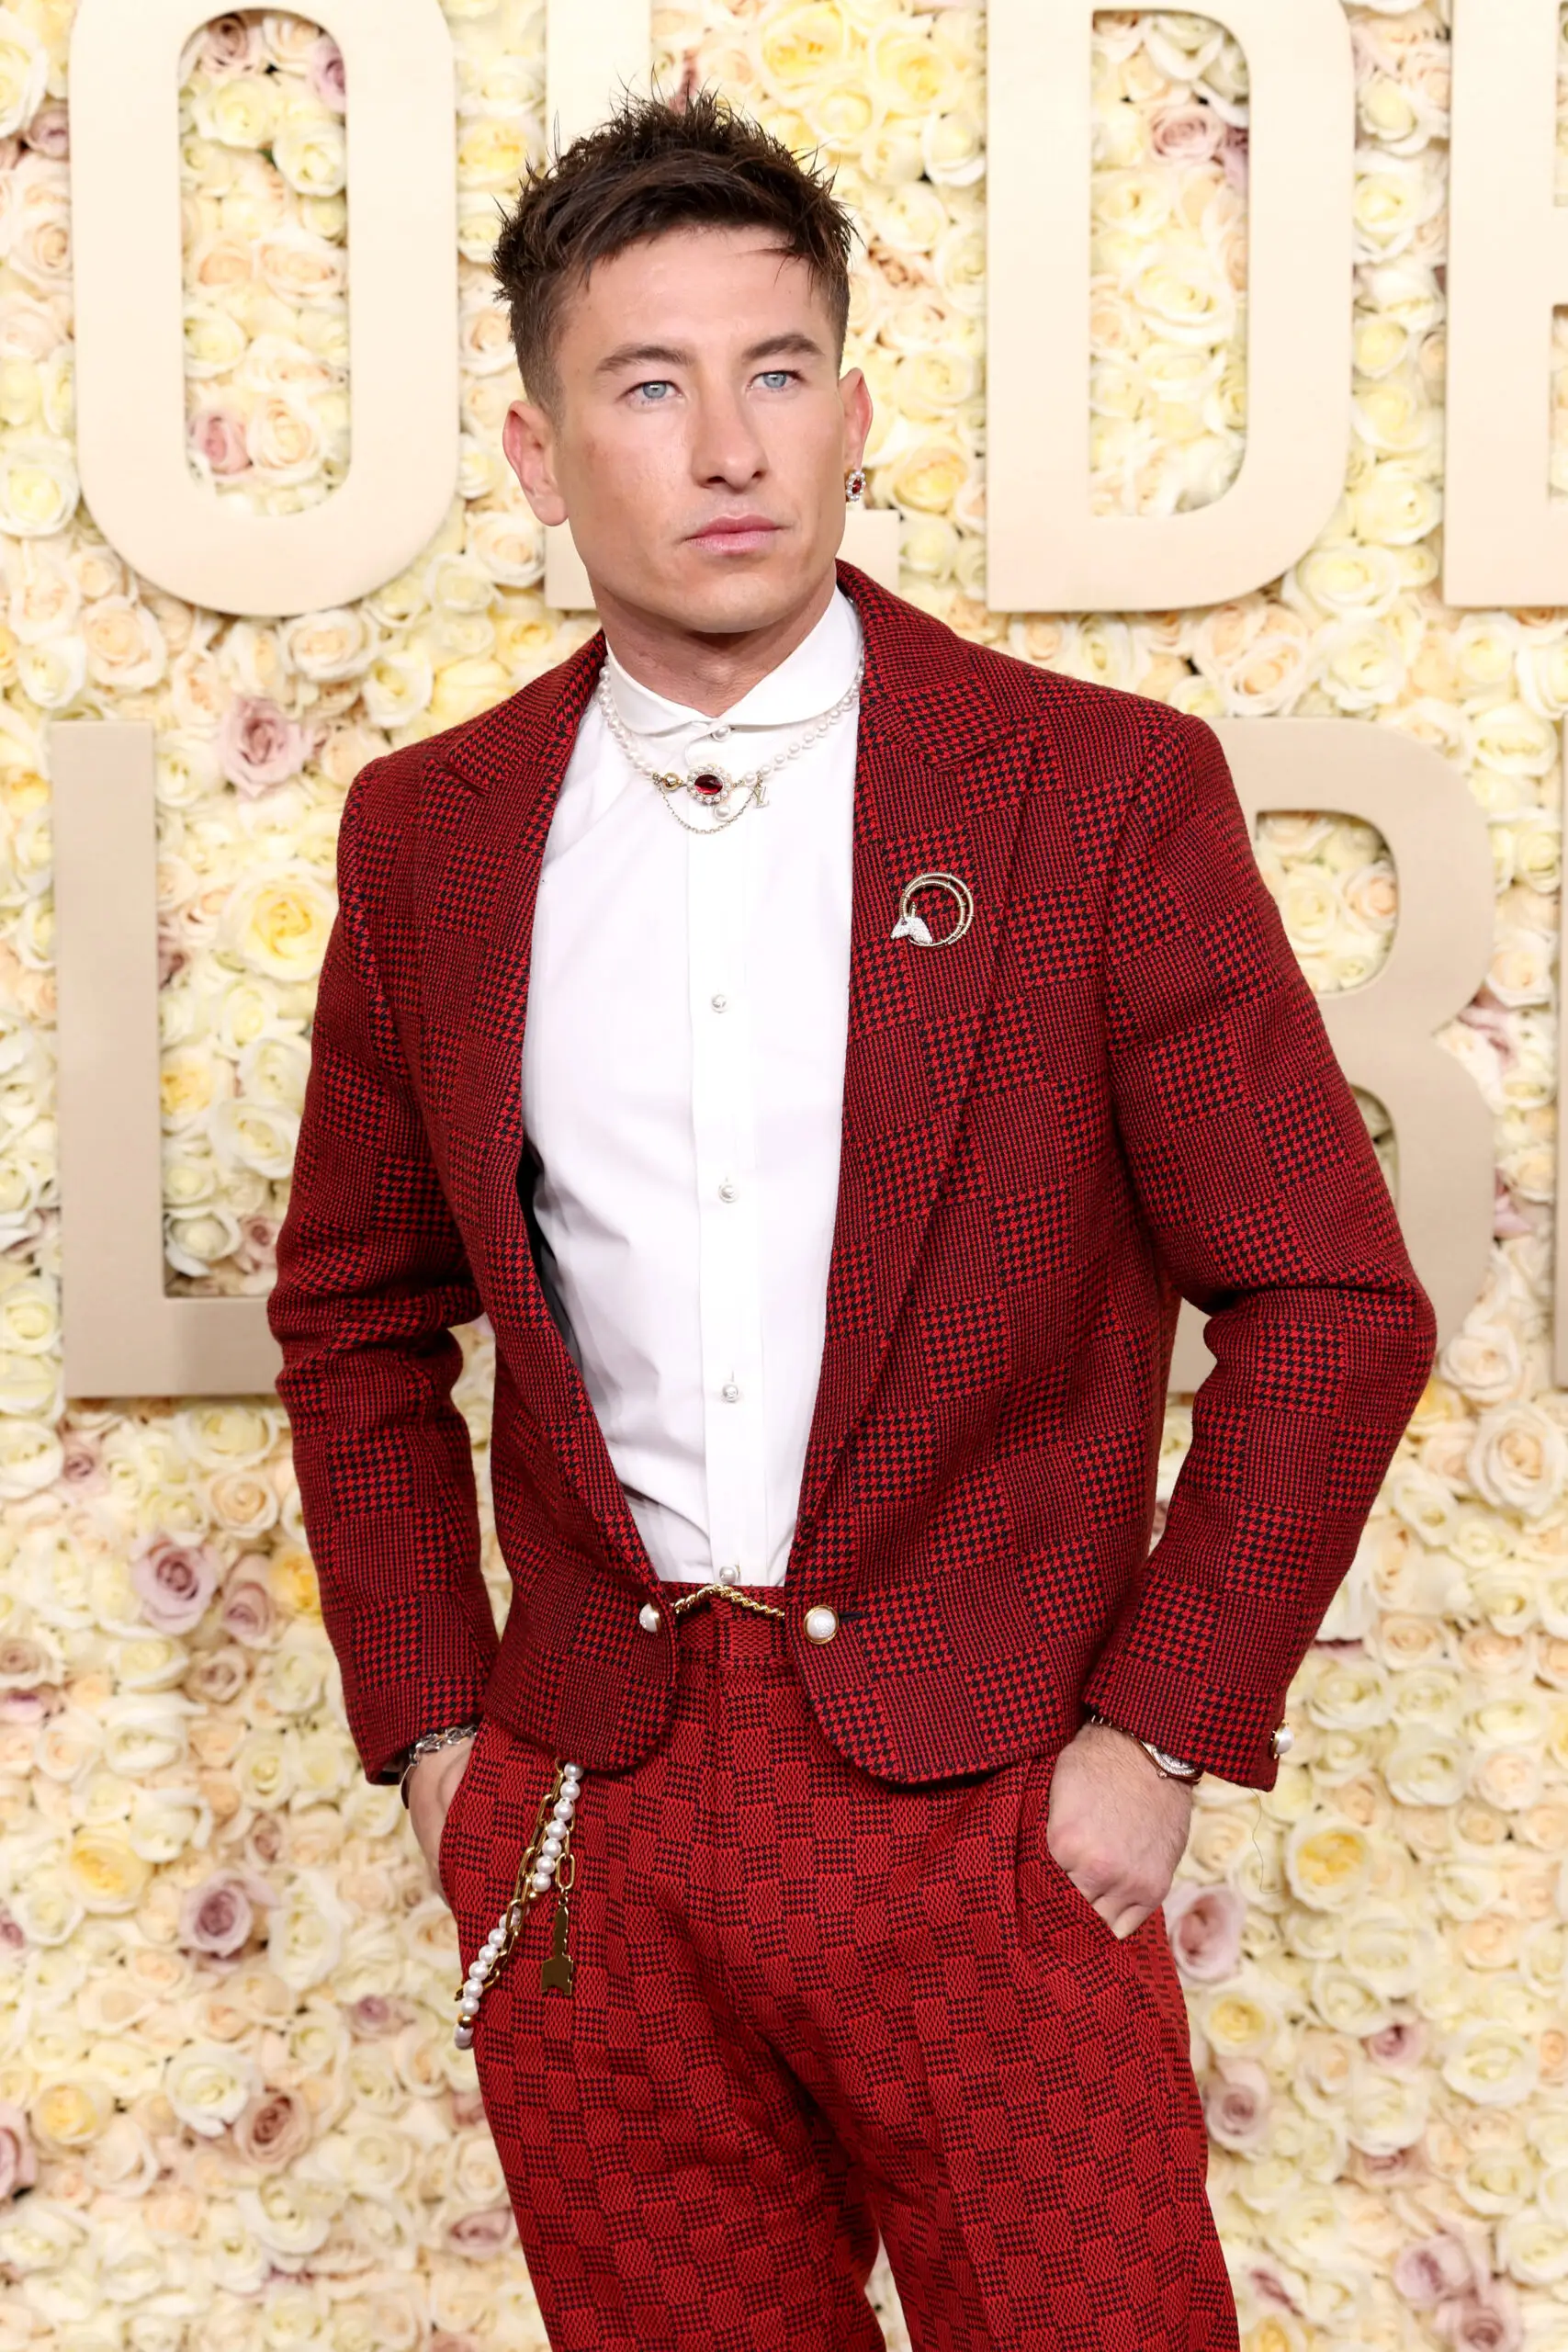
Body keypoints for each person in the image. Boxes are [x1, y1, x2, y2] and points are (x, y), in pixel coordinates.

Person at [269, 90, 1437, 2352]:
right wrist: (438, 1743)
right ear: (535, 458)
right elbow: (354, 1314)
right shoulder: (435, 838)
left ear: (854, 413)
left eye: (776, 372)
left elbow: (1325, 1293)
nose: (728, 443)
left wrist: (1153, 1738)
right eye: (648, 382)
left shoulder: (1095, 792)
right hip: (592, 1814)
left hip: (990, 1796)